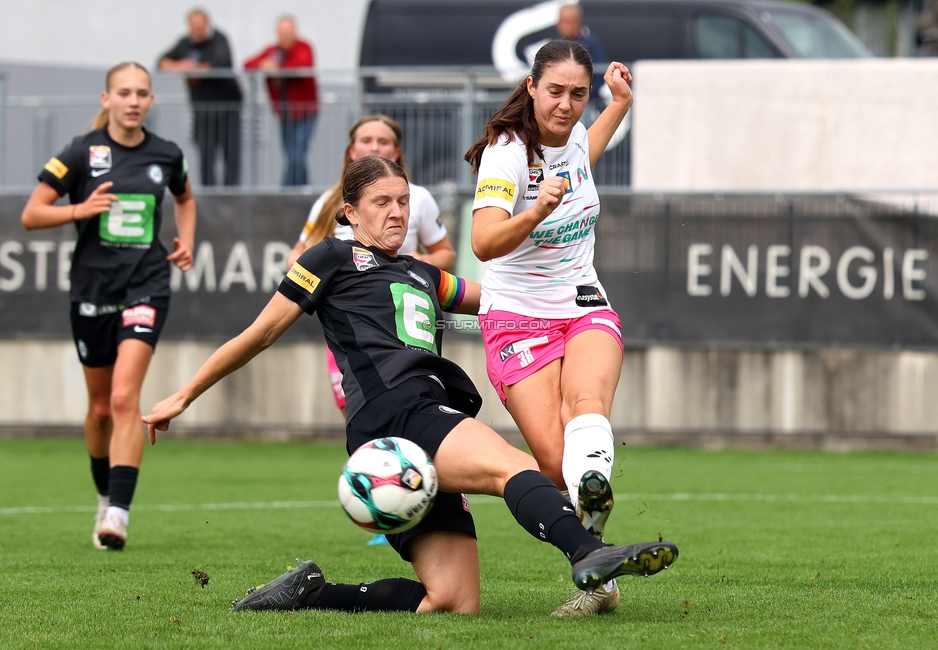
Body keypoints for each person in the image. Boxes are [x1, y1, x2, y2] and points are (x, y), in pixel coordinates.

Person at [142, 155, 676, 615]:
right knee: (511, 465)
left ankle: (311, 593)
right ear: (350, 212)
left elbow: (501, 298)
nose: (397, 212)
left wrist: (577, 294)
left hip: (420, 417)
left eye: (402, 201)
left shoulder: (423, 273)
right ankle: (588, 554)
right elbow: (260, 334)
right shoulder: (330, 257)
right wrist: (185, 394)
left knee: (452, 602)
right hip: (394, 416)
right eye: (381, 202)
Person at [463, 40, 632, 616]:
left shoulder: (579, 136)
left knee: (588, 405)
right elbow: (483, 242)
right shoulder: (507, 154)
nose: (566, 104)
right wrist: (535, 212)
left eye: (578, 95)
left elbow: (588, 146)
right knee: (557, 461)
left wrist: (620, 103)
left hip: (583, 301)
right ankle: (591, 526)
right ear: (531, 87)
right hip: (517, 316)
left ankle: (599, 580)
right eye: (555, 91)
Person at [21, 61, 196, 551]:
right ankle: (104, 496)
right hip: (91, 290)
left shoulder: (167, 153)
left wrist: (186, 241)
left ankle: (118, 514)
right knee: (99, 410)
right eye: (124, 92)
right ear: (106, 100)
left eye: (142, 92)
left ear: (151, 101)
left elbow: (186, 199)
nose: (134, 100)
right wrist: (79, 209)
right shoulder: (82, 152)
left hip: (147, 285)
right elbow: (31, 213)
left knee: (124, 399)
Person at [288, 116, 457, 547]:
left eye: (383, 141)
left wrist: (410, 265)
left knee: (403, 395)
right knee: (361, 399)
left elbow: (446, 254)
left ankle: (395, 491)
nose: (374, 146)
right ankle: (387, 486)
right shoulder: (329, 205)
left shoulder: (417, 198)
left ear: (397, 152)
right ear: (350, 149)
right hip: (352, 322)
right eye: (365, 140)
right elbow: (300, 252)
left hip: (403, 315)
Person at [159, 8, 243, 186]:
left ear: (207, 24)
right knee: (205, 153)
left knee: (231, 154)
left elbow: (221, 64)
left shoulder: (219, 40)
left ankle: (231, 195)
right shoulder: (185, 44)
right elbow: (162, 62)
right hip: (202, 111)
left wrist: (196, 68)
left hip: (228, 110)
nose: (197, 29)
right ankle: (209, 195)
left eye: (200, 25)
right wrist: (181, 65)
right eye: (193, 26)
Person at [244, 15, 318, 186]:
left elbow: (303, 64)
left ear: (295, 31)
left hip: (306, 112)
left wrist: (278, 67)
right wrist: (264, 64)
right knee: (292, 156)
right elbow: (248, 64)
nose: (286, 35)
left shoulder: (303, 47)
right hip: (285, 114)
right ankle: (302, 191)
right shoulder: (272, 51)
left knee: (296, 156)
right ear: (277, 33)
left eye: (289, 31)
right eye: (282, 32)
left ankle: (287, 191)